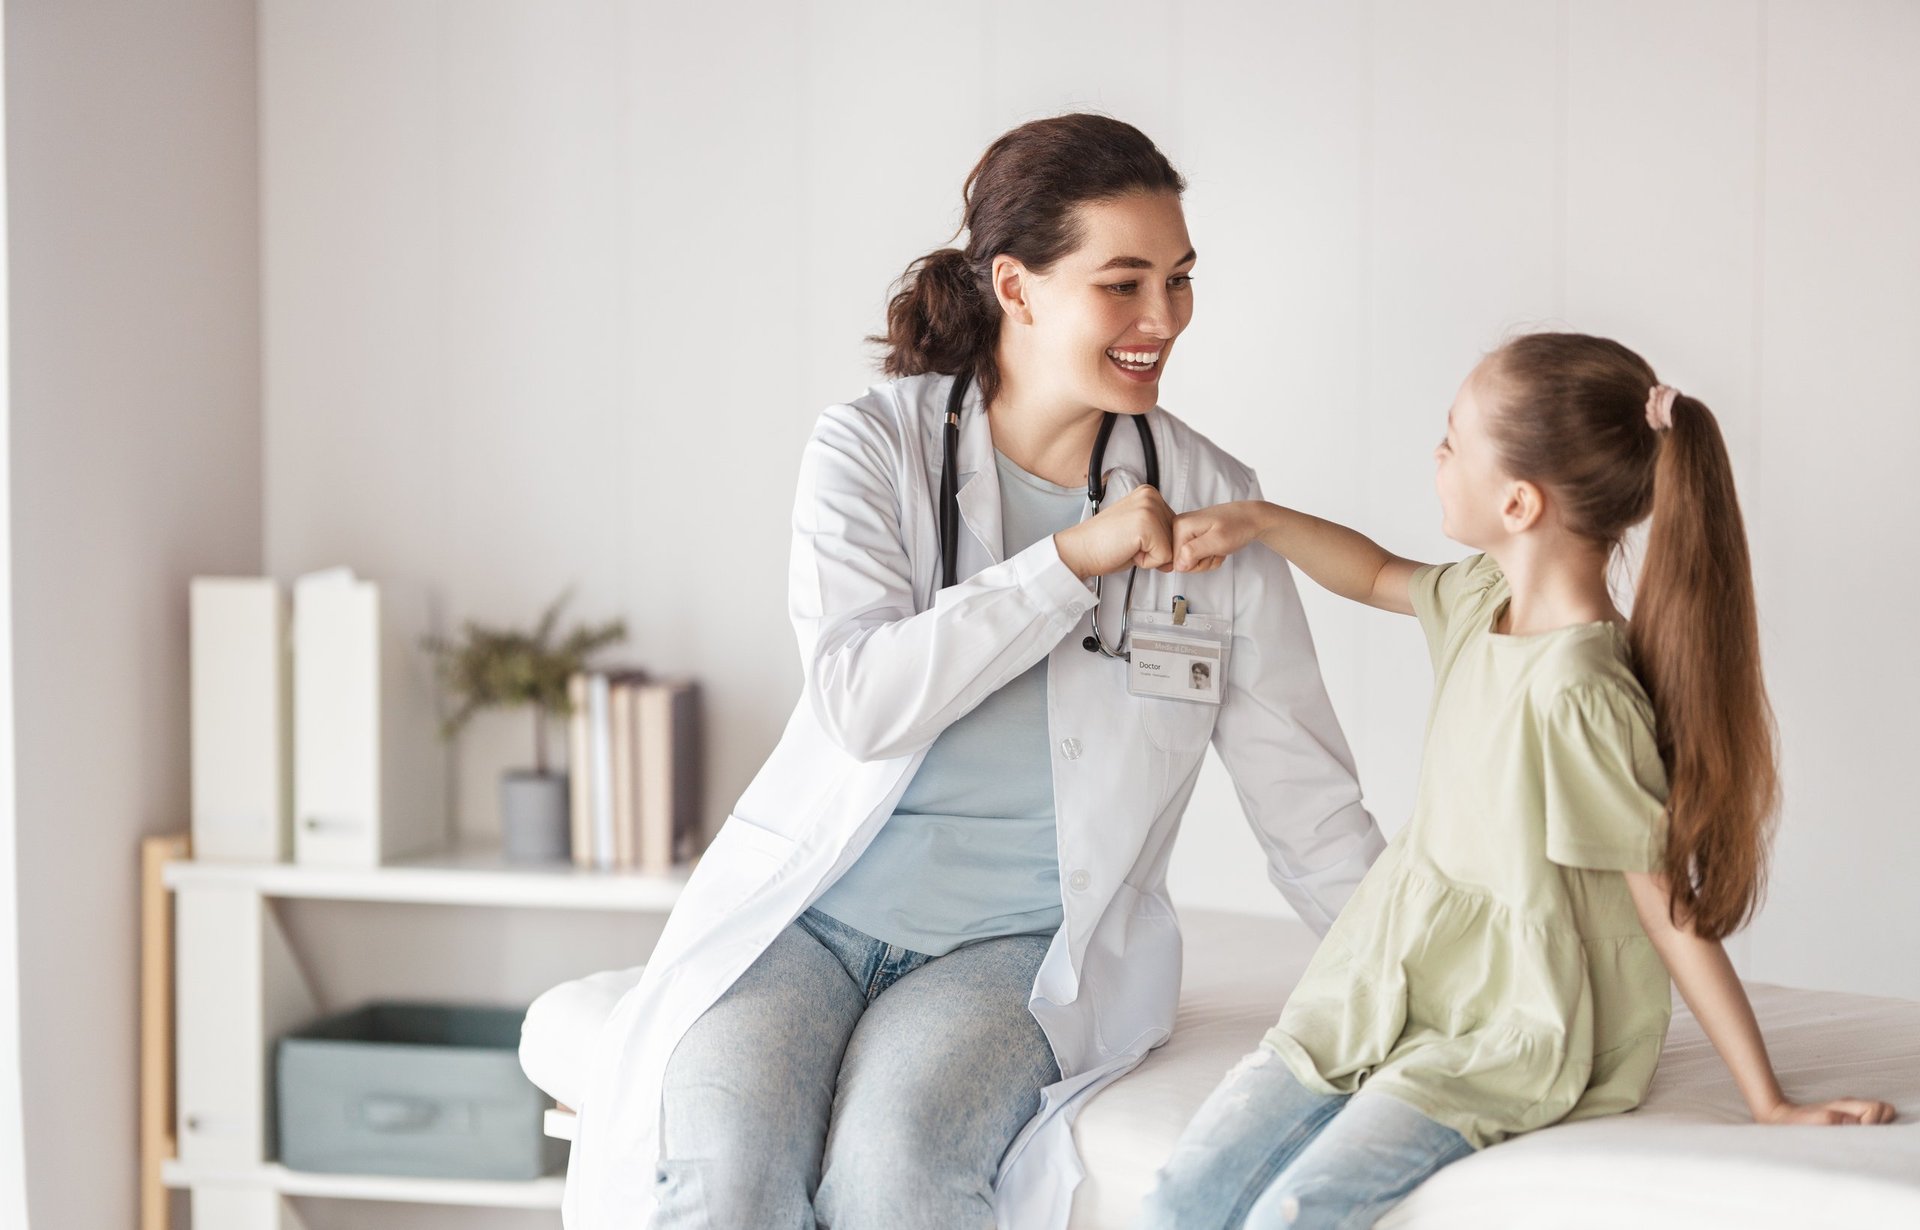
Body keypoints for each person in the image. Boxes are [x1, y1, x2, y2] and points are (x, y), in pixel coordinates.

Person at [559, 113, 1385, 1230]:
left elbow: (1311, 810)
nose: (1162, 321)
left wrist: (1432, 990)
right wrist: (1067, 563)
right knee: (725, 1170)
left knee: (897, 1171)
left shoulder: (1207, 501)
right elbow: (861, 702)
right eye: (1124, 283)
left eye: (1179, 282)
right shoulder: (870, 449)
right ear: (1018, 286)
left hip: (1017, 950)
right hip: (814, 919)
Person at [1139, 332, 1898, 1230]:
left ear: (1519, 501)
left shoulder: (1581, 693)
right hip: (1384, 979)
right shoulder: (1477, 600)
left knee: (1296, 1211)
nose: (1437, 456)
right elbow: (1376, 572)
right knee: (1181, 1199)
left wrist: (1765, 1098)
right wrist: (1257, 521)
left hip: (1507, 1021)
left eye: (1452, 440)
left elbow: (1664, 909)